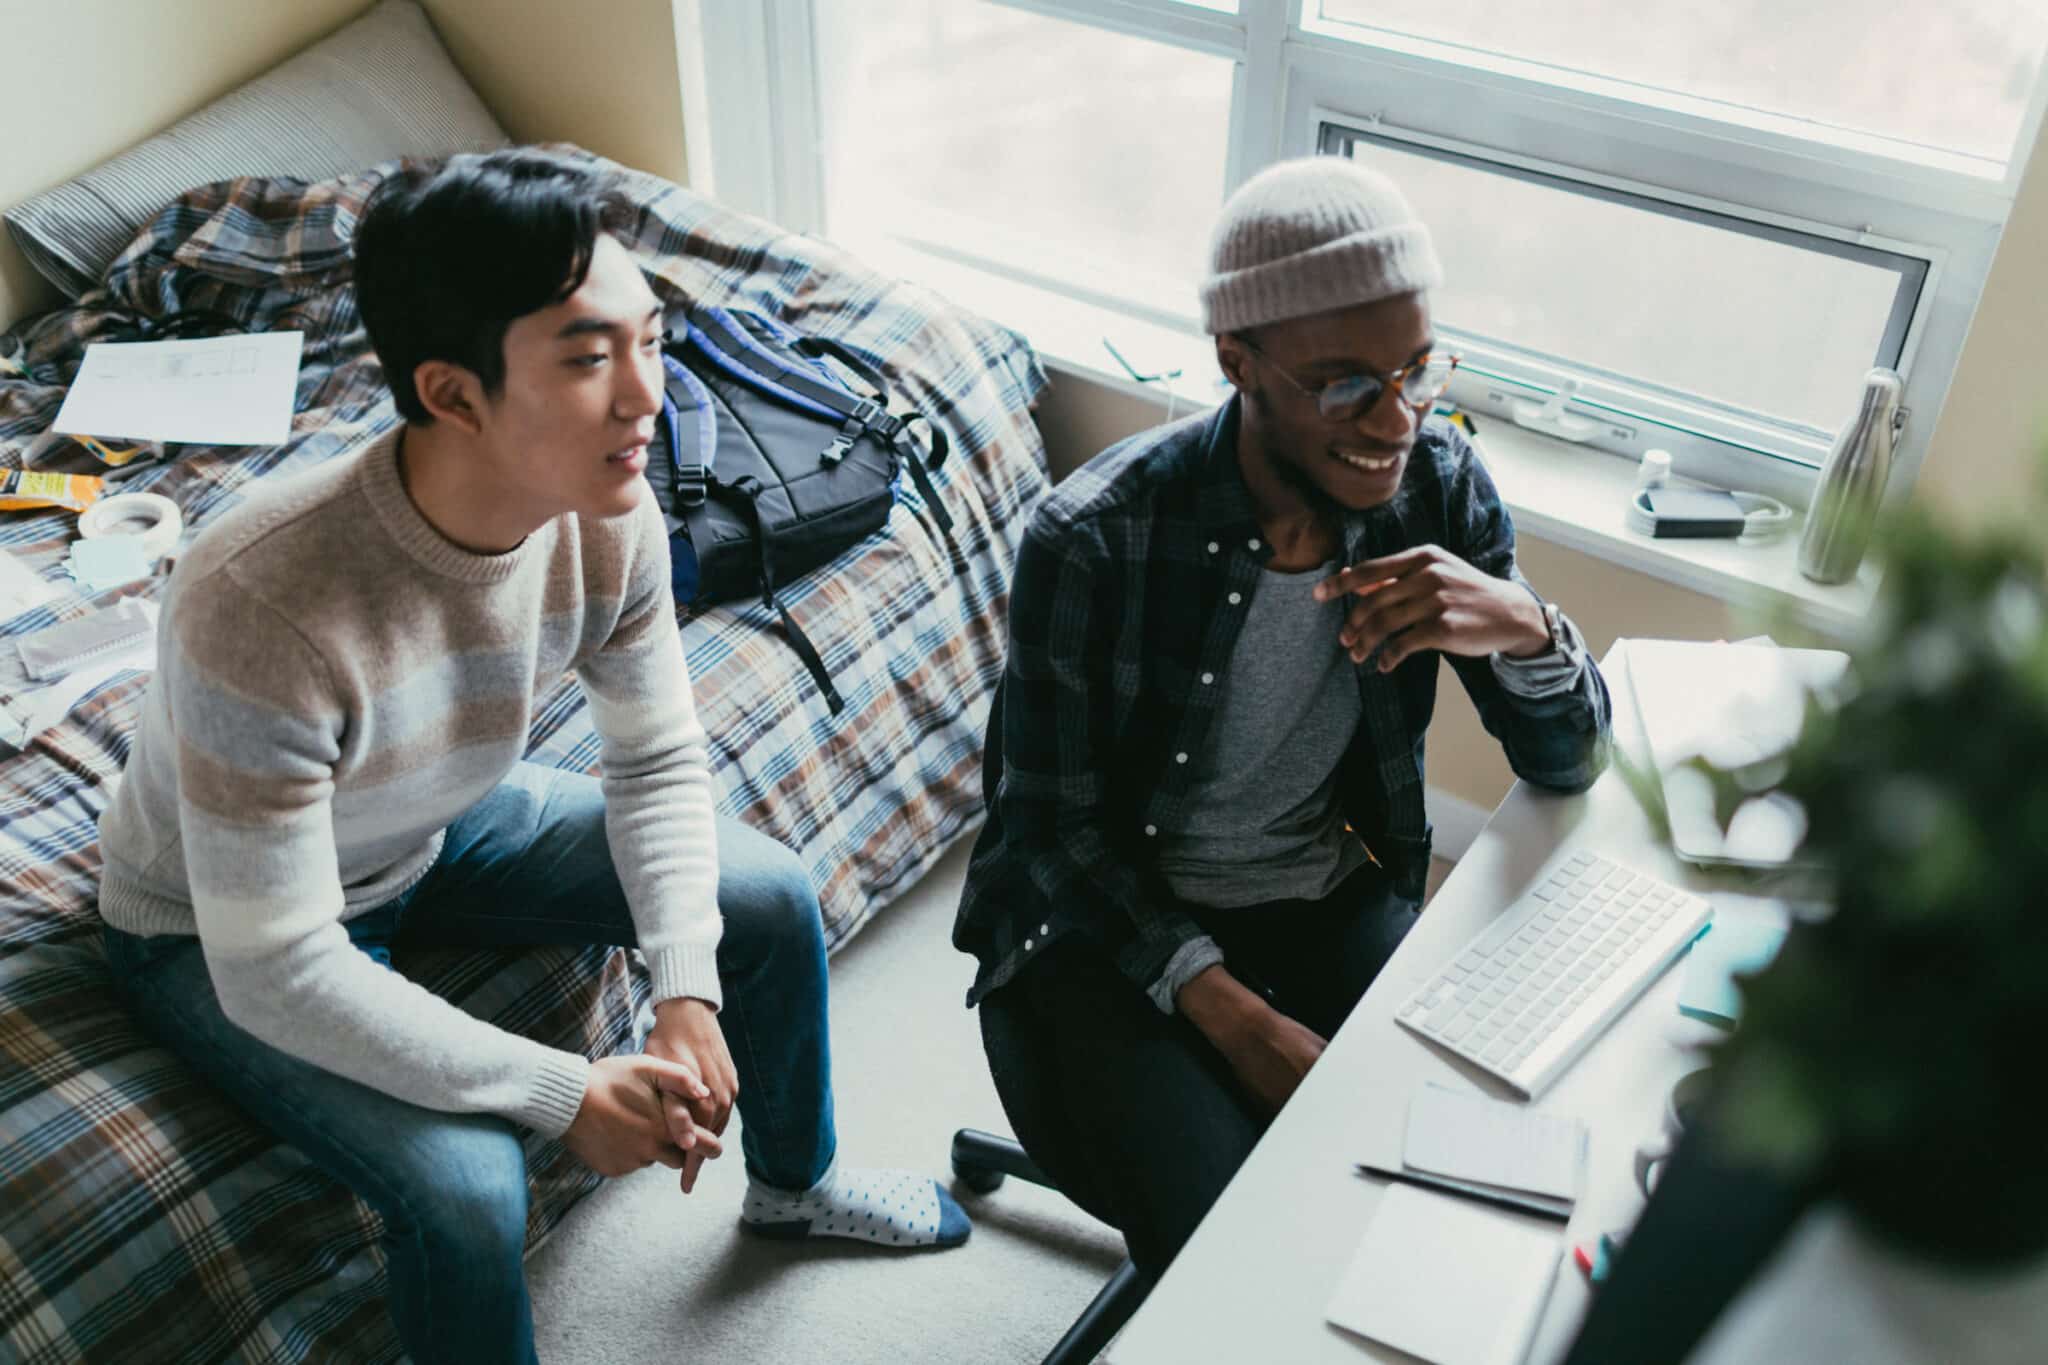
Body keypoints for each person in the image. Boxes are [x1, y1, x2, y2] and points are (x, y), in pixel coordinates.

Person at [97, 149, 967, 1365]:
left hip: (427, 825)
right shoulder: (258, 597)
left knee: (761, 894)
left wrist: (683, 986)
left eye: (649, 341)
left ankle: (795, 1185)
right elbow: (278, 966)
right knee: (469, 1190)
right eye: (587, 359)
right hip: (211, 926)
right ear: (452, 396)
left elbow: (656, 763)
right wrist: (563, 1094)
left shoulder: (613, 516)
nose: (647, 397)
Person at [953, 157, 1612, 1282]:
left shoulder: (1437, 486)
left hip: (1319, 897)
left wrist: (1524, 625)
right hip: (1101, 931)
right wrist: (1235, 1017)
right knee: (1241, 1257)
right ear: (1236, 359)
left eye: (1415, 370)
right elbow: (1048, 836)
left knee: (1479, 1169)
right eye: (1345, 385)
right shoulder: (1096, 537)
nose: (1396, 419)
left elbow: (1570, 763)